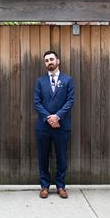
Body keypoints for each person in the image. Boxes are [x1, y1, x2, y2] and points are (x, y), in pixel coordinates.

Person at [34, 50, 74, 199]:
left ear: (58, 61)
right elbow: (37, 103)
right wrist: (49, 118)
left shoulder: (68, 80)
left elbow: (70, 101)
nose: (49, 62)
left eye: (51, 59)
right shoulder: (40, 81)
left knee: (61, 157)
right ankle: (44, 186)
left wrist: (57, 117)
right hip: (43, 127)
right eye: (46, 60)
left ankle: (61, 186)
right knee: (43, 157)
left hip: (62, 126)